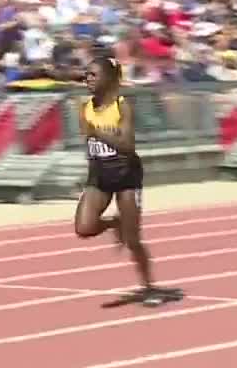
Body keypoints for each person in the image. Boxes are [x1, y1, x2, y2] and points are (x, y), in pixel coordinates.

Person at [74, 57, 166, 306]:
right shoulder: (84, 108)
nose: (88, 79)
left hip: (126, 175)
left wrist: (99, 132)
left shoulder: (122, 106)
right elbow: (90, 144)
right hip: (100, 175)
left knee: (133, 240)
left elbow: (127, 145)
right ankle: (114, 223)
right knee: (84, 227)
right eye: (86, 75)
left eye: (93, 75)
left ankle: (148, 286)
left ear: (108, 78)